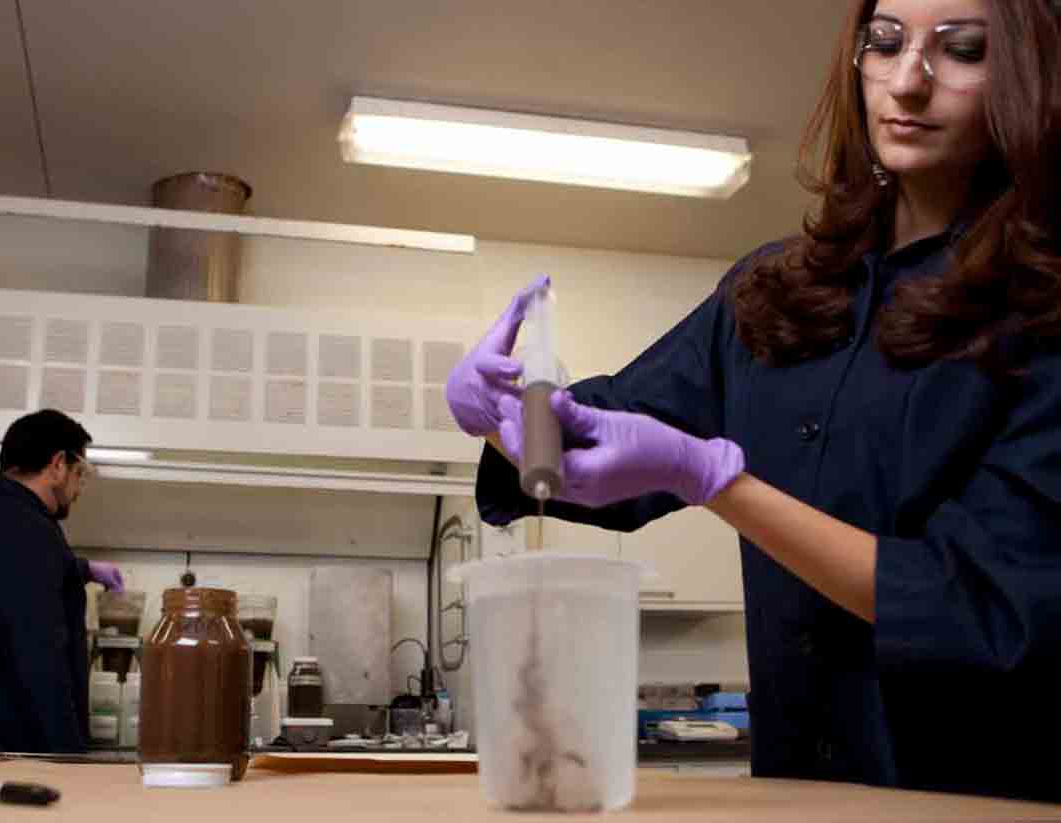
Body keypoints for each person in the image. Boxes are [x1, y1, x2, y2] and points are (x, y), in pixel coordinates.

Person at [447, 0, 1061, 802]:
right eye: (885, 42)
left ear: (1025, 74)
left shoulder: (1042, 311)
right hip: (793, 794)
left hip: (974, 798)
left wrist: (716, 481)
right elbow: (600, 440)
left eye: (963, 49)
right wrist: (502, 415)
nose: (909, 81)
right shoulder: (774, 290)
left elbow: (981, 602)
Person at [0, 409, 124, 754]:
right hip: (4, 748)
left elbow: (9, 585)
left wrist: (81, 569)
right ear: (58, 465)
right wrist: (68, 756)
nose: (79, 489)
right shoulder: (25, 530)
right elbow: (39, 655)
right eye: (80, 473)